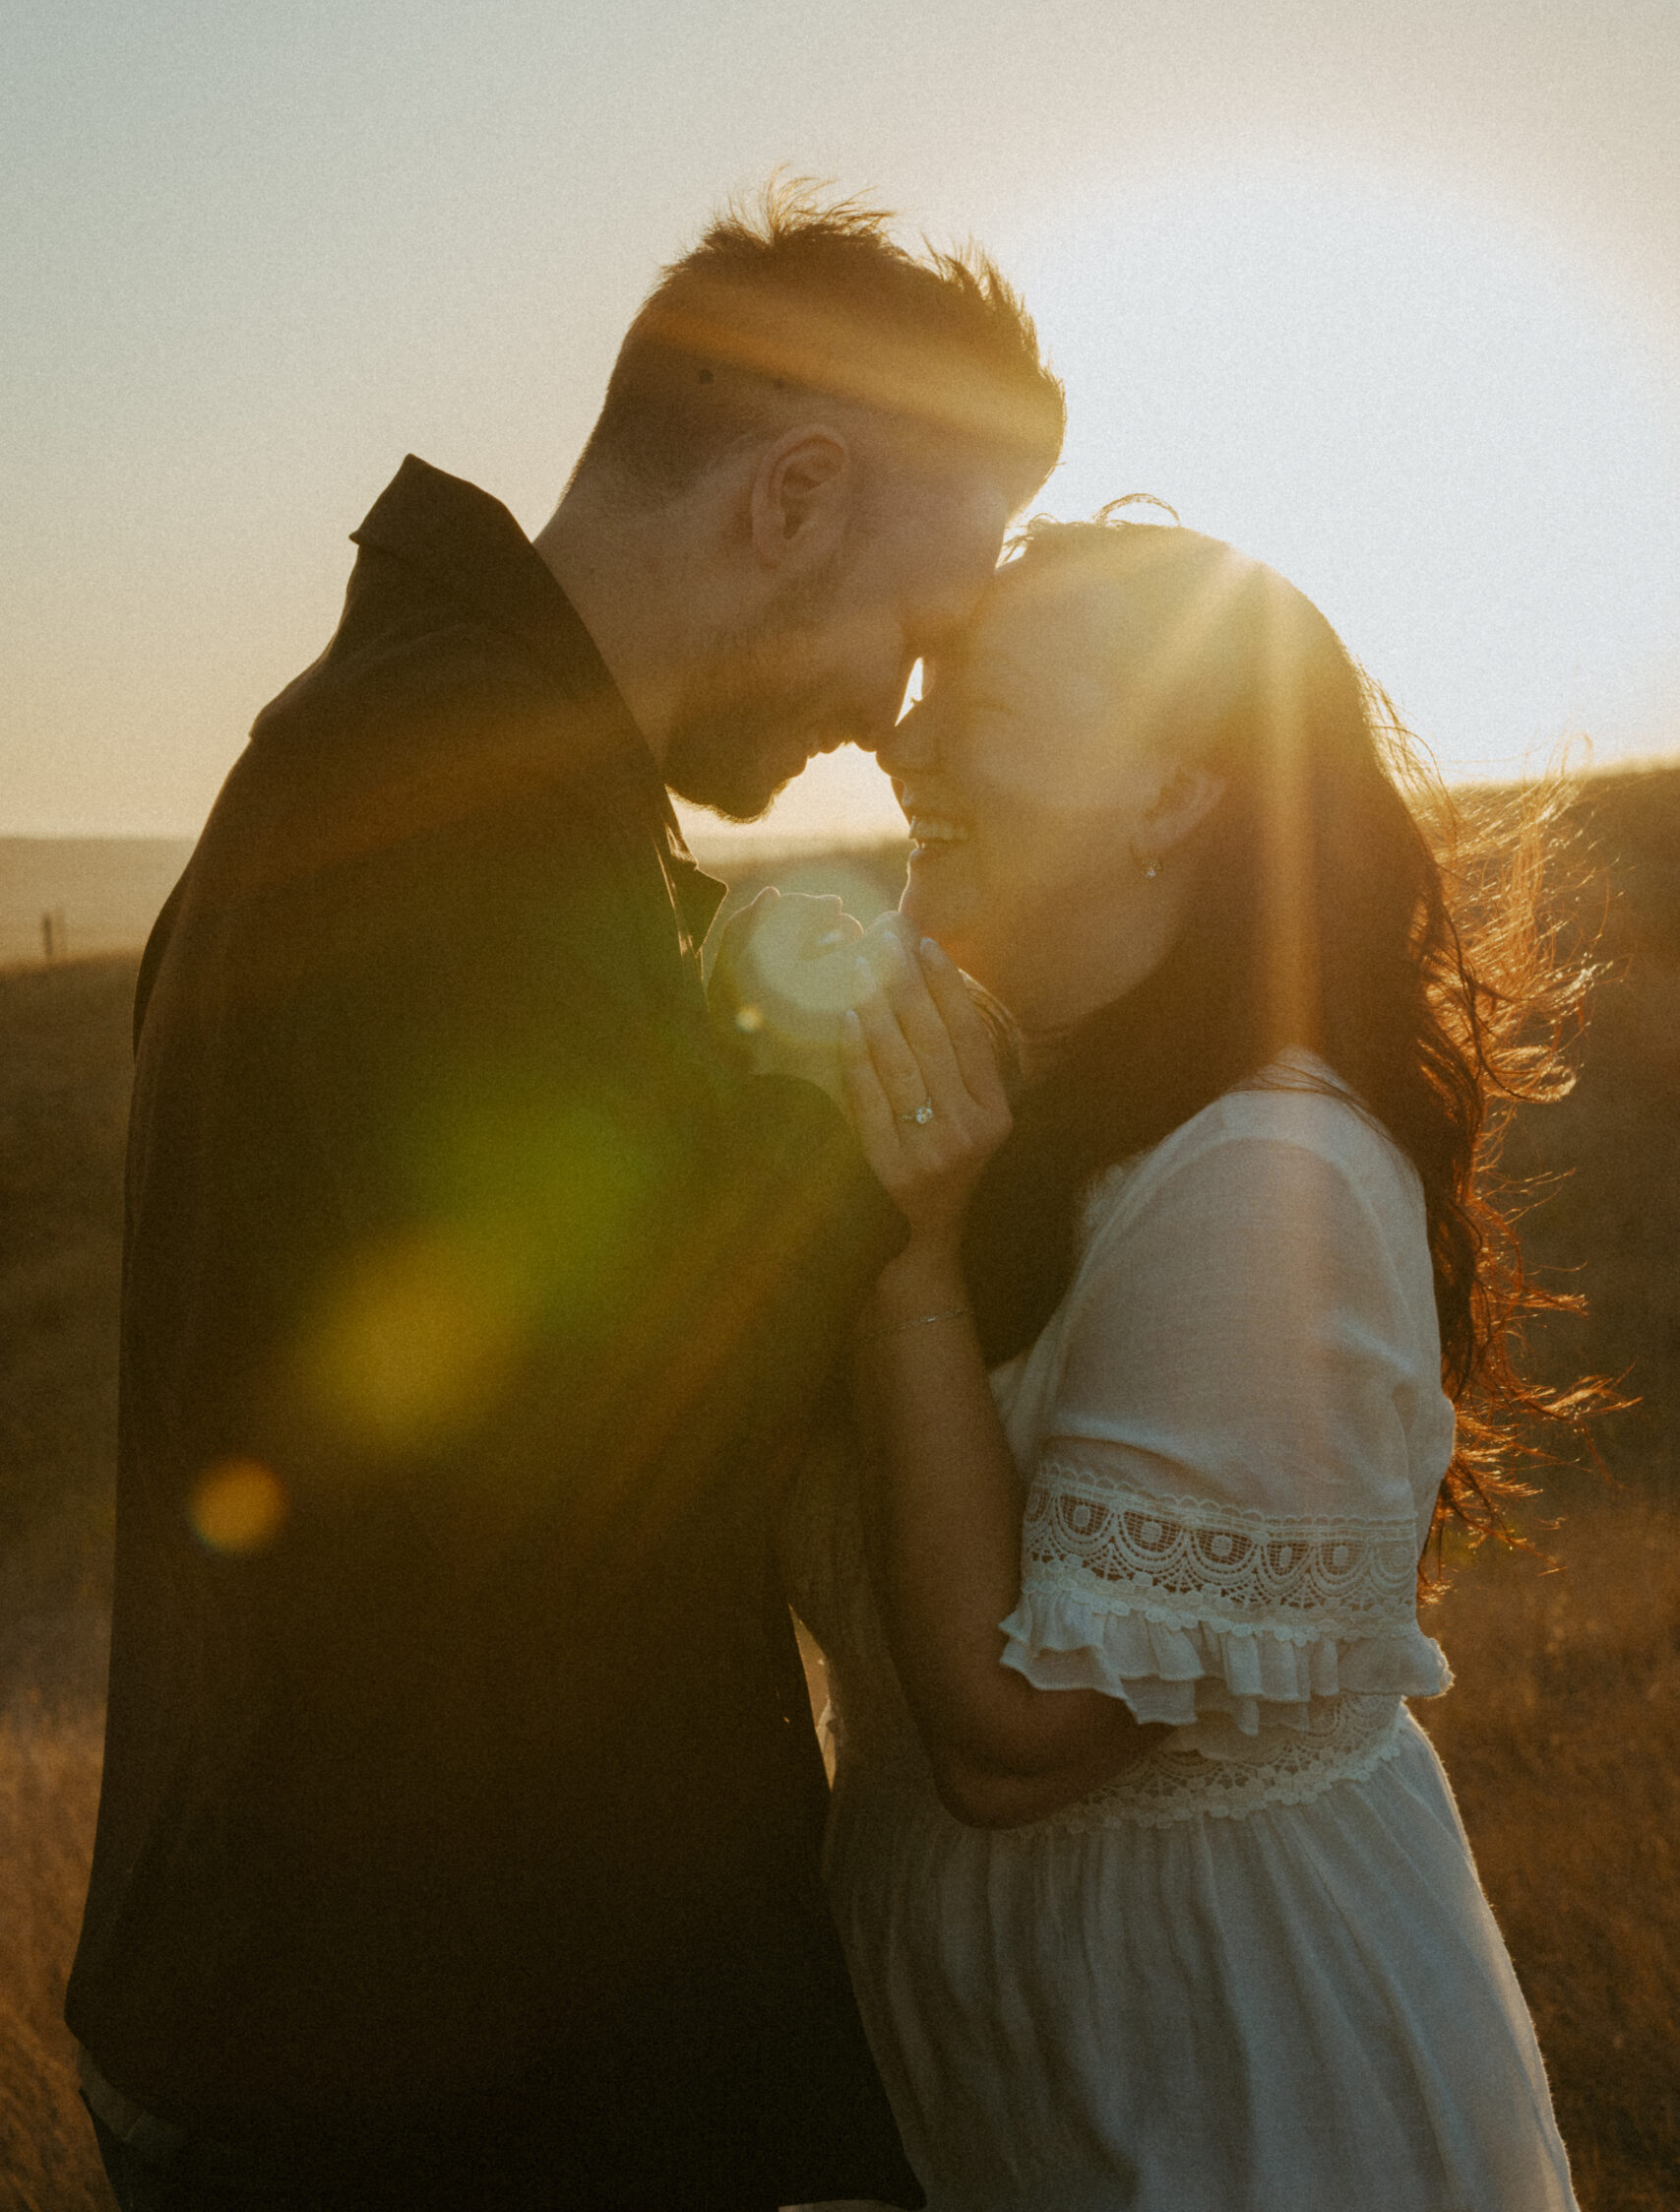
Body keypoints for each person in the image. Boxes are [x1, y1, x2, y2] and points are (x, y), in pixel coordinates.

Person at [66, 186, 1066, 2211]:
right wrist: (911, 1155)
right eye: (919, 626)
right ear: (792, 494)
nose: (893, 712)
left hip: (372, 2030)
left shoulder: (453, 762)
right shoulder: (456, 811)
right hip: (420, 2087)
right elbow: (591, 1413)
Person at [778, 507, 1585, 2210]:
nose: (904, 746)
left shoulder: (1265, 1177)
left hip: (1238, 2086)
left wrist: (905, 1256)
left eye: (988, 705)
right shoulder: (1003, 1103)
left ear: (1171, 795)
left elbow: (1014, 1738)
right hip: (1017, 2082)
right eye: (928, 689)